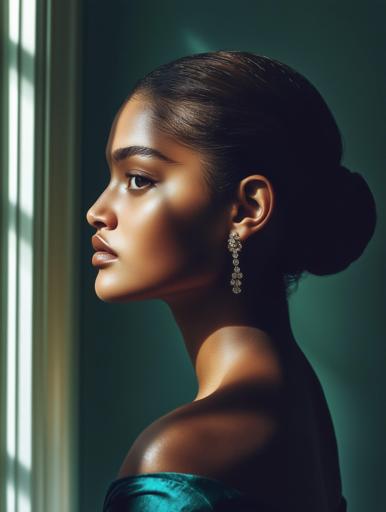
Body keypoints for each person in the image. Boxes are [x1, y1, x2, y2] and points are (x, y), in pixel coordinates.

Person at [86, 50, 377, 511]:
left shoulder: (176, 455)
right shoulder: (299, 402)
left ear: (246, 208)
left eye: (138, 179)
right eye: (113, 176)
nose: (98, 211)